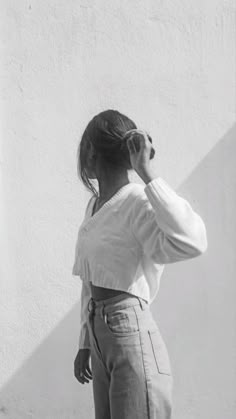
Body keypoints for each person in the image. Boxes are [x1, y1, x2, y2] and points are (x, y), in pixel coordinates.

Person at [72, 109, 208, 419]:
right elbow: (88, 279)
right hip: (100, 333)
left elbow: (193, 241)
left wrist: (147, 174)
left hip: (129, 334)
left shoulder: (137, 200)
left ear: (91, 149)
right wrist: (84, 342)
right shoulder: (95, 206)